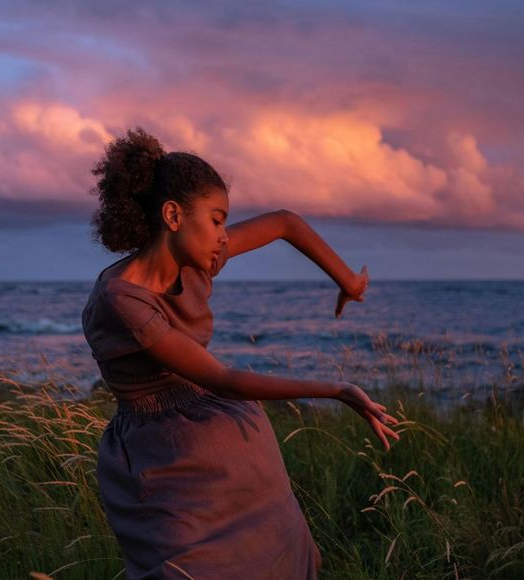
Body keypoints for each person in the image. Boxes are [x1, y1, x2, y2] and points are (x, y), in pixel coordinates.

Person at [81, 128, 399, 579]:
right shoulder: (121, 299)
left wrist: (347, 280)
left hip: (229, 451)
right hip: (169, 459)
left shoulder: (197, 260)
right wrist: (335, 389)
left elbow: (285, 222)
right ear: (173, 215)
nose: (222, 236)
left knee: (266, 556)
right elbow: (222, 380)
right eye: (216, 219)